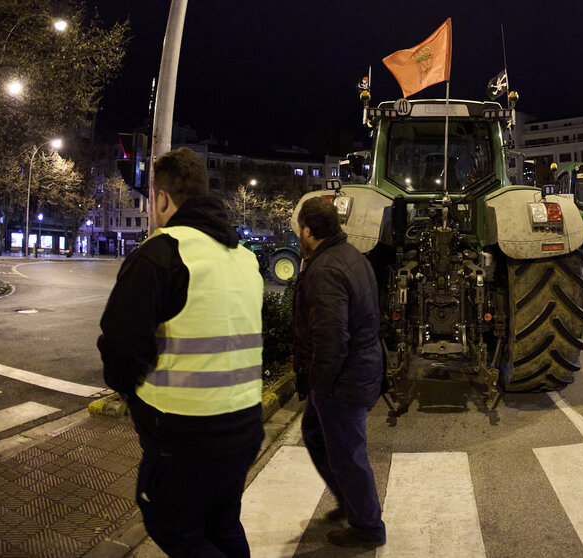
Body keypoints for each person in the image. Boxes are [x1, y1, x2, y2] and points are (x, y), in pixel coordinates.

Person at [97, 147, 265, 557]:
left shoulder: (159, 254)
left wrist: (132, 396)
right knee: (222, 525)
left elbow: (119, 347)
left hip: (183, 436)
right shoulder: (244, 259)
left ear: (162, 199)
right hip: (244, 428)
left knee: (174, 529)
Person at [291, 197, 386, 548]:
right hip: (354, 371)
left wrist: (319, 385)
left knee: (348, 453)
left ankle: (368, 528)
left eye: (299, 229)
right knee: (315, 434)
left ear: (307, 230)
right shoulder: (352, 257)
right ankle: (349, 502)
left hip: (342, 380)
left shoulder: (326, 269)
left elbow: (331, 339)